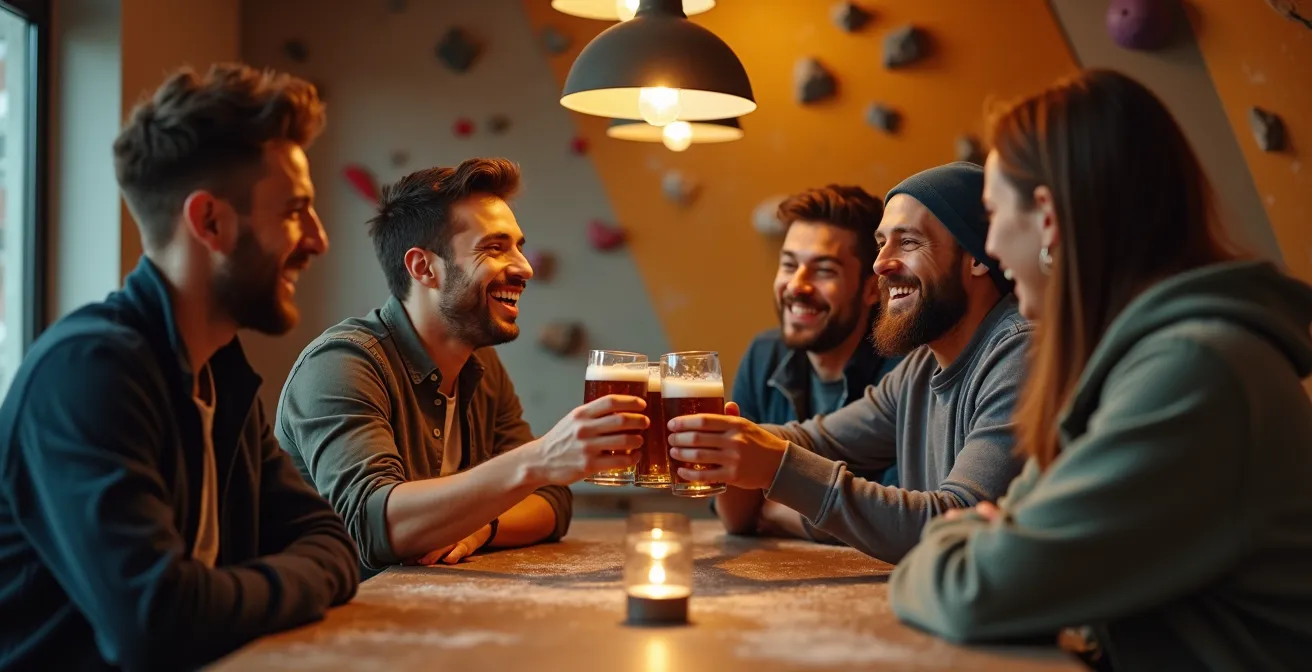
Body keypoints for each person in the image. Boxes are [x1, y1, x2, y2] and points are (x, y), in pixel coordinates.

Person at [888, 70, 1312, 670]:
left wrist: (951, 539)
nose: (994, 247)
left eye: (993, 215)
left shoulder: (1191, 374)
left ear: (1048, 218)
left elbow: (971, 591)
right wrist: (983, 540)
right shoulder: (1132, 364)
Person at [0, 64, 360, 670]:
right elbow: (157, 622)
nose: (318, 240)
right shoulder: (88, 374)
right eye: (294, 211)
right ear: (210, 222)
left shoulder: (220, 374)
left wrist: (227, 593)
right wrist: (302, 578)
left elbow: (331, 541)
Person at [276, 158, 646, 577]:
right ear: (423, 268)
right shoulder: (341, 365)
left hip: (423, 611)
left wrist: (480, 527)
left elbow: (551, 502)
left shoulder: (480, 363)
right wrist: (540, 458)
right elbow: (372, 525)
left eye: (519, 246)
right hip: (332, 614)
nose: (524, 267)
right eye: (494, 248)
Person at [669, 162, 1031, 563]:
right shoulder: (920, 368)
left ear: (978, 256)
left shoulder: (1020, 353)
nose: (880, 263)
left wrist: (774, 468)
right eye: (881, 243)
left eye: (908, 242)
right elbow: (816, 440)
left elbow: (956, 525)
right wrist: (704, 437)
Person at [723, 185, 901, 542]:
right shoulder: (764, 355)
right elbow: (737, 517)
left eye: (824, 271)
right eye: (789, 265)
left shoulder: (903, 370)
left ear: (872, 289)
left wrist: (772, 510)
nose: (797, 286)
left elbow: (888, 519)